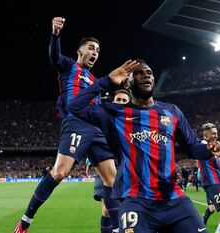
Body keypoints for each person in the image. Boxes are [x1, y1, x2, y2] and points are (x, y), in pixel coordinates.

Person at [13, 17, 138, 233]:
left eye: (98, 50)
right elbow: (54, 57)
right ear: (80, 52)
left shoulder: (95, 79)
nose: (95, 52)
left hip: (96, 129)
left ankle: (119, 229)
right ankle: (26, 220)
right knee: (60, 172)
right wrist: (55, 34)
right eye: (91, 48)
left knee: (111, 180)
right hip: (77, 123)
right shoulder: (70, 66)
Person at [68, 59, 220, 233]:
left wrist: (208, 149)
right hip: (136, 201)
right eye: (139, 73)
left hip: (174, 200)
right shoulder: (115, 113)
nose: (146, 75)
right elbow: (74, 106)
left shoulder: (171, 111)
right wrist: (107, 81)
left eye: (149, 73)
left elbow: (192, 146)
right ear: (127, 83)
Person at [89, 89, 131, 233]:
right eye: (118, 100)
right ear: (113, 102)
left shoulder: (134, 121)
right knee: (107, 210)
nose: (120, 103)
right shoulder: (103, 117)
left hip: (127, 168)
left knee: (128, 208)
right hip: (107, 165)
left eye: (124, 100)